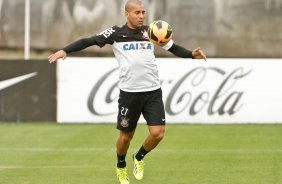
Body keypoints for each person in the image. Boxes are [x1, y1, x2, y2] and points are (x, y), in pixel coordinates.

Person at [48, 0, 207, 183]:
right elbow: (89, 40)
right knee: (126, 137)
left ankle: (139, 157)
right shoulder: (116, 33)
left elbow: (173, 47)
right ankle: (121, 165)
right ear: (127, 14)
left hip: (153, 92)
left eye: (143, 12)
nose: (141, 16)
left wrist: (191, 55)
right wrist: (65, 50)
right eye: (137, 12)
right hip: (129, 94)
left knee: (158, 133)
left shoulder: (151, 32)